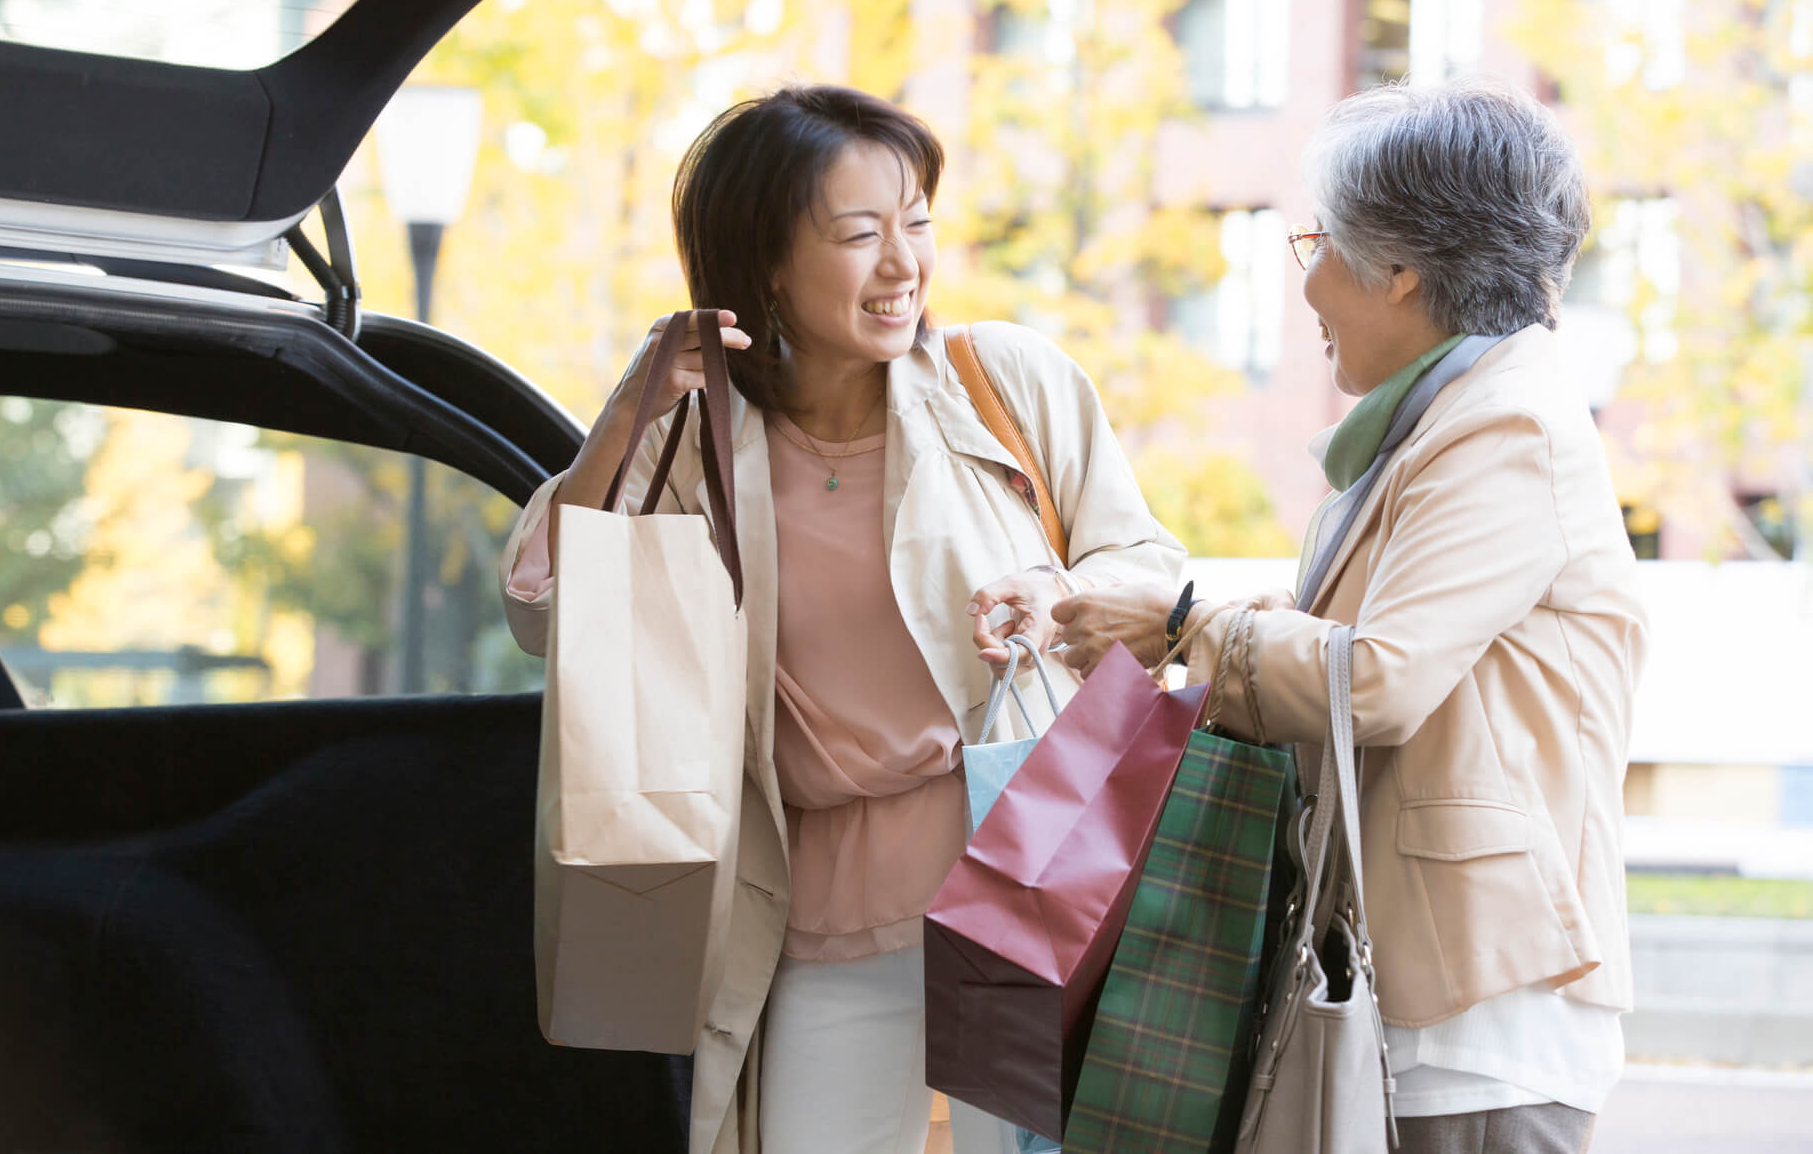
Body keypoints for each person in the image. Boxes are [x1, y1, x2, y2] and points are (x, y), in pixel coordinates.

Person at [498, 84, 1183, 1154]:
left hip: (1027, 861)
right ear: (766, 260)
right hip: (818, 911)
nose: (903, 262)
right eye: (859, 234)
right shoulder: (698, 448)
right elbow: (547, 610)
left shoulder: (1004, 382)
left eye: (915, 222)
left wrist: (1059, 597)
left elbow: (1144, 565)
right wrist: (625, 417)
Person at [1052, 76, 1648, 1154]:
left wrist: (1182, 622)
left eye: (1320, 246)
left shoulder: (1502, 426)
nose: (1310, 282)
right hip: (1431, 987)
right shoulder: (1445, 418)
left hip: (1477, 1006)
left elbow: (1372, 677)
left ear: (1402, 272)